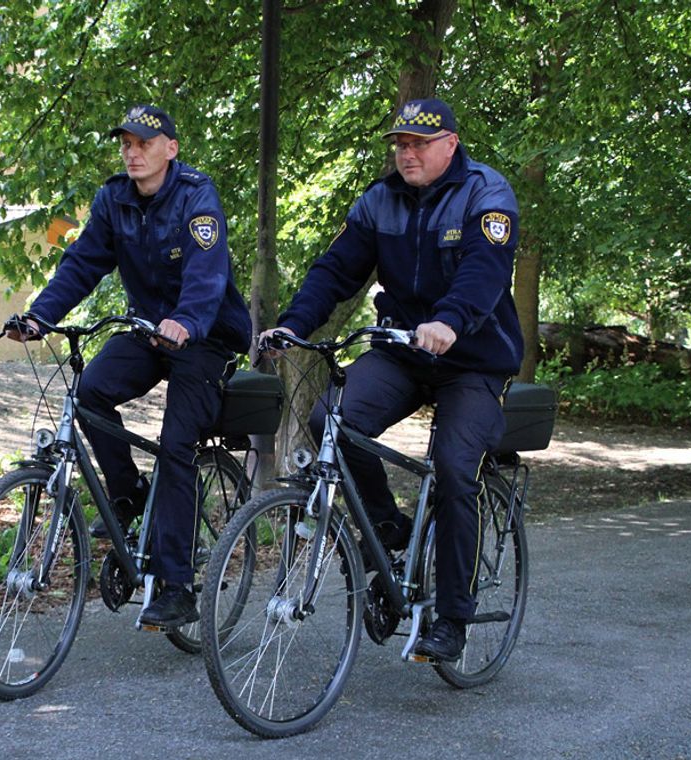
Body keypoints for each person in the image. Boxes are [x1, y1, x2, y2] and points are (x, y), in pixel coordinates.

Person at [261, 98, 523, 661]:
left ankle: (453, 617)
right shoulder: (381, 201)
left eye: (419, 144)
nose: (407, 153)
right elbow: (336, 270)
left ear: (449, 144)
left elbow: (485, 271)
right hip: (404, 350)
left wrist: (450, 322)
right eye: (400, 144)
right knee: (330, 419)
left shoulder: (486, 193)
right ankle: (386, 528)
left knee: (455, 471)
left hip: (473, 360)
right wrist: (293, 325)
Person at [4, 104, 251, 627]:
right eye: (126, 143)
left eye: (143, 143)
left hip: (204, 335)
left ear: (170, 149)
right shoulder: (114, 198)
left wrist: (187, 320)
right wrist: (40, 317)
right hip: (149, 329)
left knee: (176, 443)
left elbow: (208, 273)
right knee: (90, 392)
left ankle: (177, 583)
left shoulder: (196, 195)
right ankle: (128, 491)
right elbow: (83, 263)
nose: (132, 152)